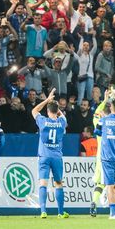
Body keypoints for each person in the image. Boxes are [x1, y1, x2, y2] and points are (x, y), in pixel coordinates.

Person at [90, 88, 115, 217]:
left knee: (105, 184)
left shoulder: (102, 121)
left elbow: (97, 119)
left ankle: (104, 208)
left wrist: (105, 100)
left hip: (104, 155)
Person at [31, 88, 69, 219]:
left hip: (44, 156)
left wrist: (47, 100)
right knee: (58, 183)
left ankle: (43, 211)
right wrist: (56, 107)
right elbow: (63, 116)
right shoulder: (61, 122)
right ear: (57, 112)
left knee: (43, 183)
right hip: (56, 157)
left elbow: (34, 111)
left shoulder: (42, 121)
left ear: (47, 111)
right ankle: (60, 212)